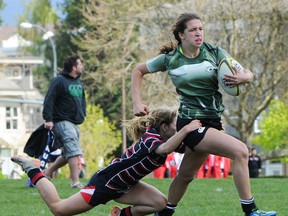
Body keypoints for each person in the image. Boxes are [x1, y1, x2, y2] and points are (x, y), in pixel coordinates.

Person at [131, 13, 276, 216]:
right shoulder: (171, 59)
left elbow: (246, 72)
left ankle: (163, 213)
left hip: (213, 121)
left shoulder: (214, 52)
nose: (198, 33)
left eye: (200, 29)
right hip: (191, 122)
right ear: (181, 35)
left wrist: (245, 77)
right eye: (193, 30)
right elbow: (138, 71)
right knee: (241, 151)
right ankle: (251, 210)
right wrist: (137, 101)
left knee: (186, 175)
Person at [11, 107, 202, 216]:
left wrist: (207, 133)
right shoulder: (150, 138)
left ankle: (119, 215)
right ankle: (34, 169)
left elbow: (188, 147)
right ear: (164, 127)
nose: (179, 130)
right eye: (176, 128)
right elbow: (165, 149)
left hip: (126, 185)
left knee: (160, 203)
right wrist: (187, 130)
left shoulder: (166, 137)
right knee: (59, 209)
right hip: (105, 183)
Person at [42, 55, 87, 189]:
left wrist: (83, 113)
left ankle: (47, 173)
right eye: (80, 64)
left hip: (74, 123)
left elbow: (82, 100)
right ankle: (75, 182)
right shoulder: (59, 81)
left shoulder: (78, 82)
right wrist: (48, 119)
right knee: (73, 151)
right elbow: (49, 100)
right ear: (74, 67)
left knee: (68, 154)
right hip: (61, 121)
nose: (82, 67)